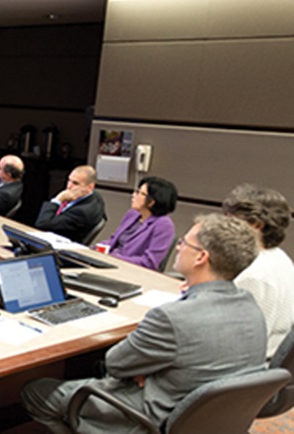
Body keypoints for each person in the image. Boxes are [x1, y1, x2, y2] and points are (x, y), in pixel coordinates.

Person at [21, 213, 266, 433]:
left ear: (201, 257)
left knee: (36, 391)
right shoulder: (252, 307)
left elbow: (114, 364)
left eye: (184, 243)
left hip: (149, 418)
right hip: (206, 421)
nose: (179, 247)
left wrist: (146, 368)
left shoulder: (172, 317)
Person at [223, 183, 294, 359]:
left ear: (257, 225)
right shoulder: (279, 257)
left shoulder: (254, 276)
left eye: (231, 219)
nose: (224, 226)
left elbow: (235, 344)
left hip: (246, 369)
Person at [100, 176, 178, 270]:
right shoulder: (132, 214)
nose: (133, 195)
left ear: (151, 202)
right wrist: (94, 249)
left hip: (129, 270)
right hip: (109, 262)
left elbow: (149, 262)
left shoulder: (164, 225)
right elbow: (113, 240)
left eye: (139, 193)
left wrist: (114, 258)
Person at [34, 165, 106, 243]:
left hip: (57, 246)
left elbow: (42, 224)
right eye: (69, 180)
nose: (69, 186)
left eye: (75, 183)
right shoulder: (96, 197)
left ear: (90, 187)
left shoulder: (81, 212)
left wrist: (58, 199)